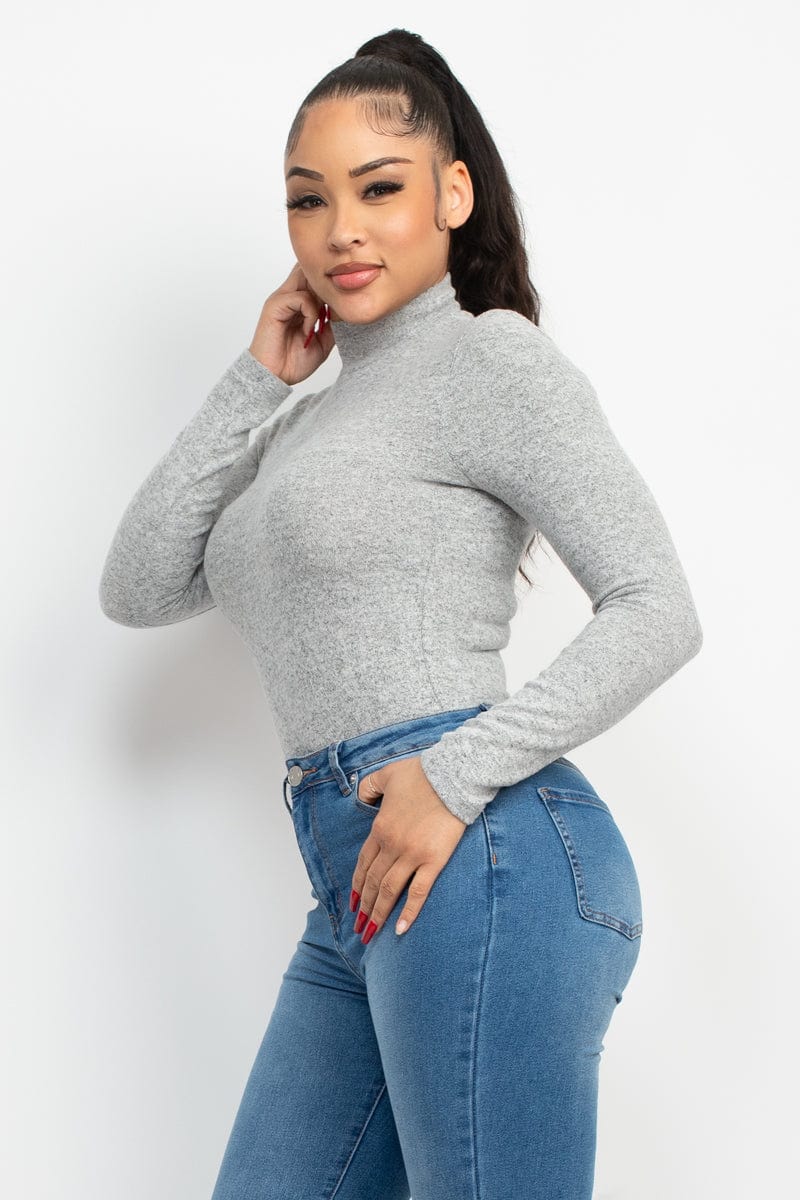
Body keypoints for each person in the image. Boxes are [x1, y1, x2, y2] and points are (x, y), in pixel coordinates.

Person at [99, 27, 703, 1200]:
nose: (341, 229)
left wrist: (452, 776)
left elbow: (656, 607)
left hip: (479, 852)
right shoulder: (302, 424)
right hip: (355, 883)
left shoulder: (490, 362)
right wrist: (255, 378)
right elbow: (139, 584)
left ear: (451, 195)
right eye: (307, 200)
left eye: (378, 188)